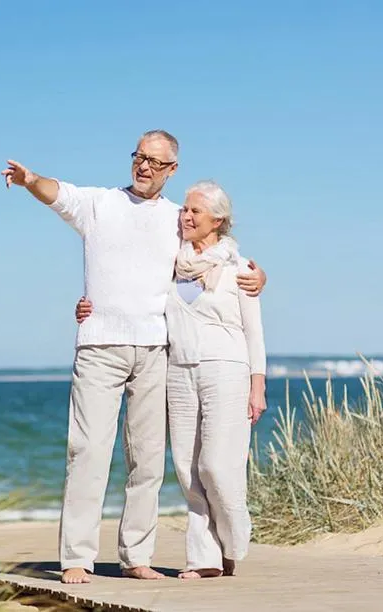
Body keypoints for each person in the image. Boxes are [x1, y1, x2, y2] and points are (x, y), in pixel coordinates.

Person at [1, 130, 266, 584]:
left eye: (155, 162)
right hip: (100, 347)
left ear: (171, 170)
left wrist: (259, 278)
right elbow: (56, 192)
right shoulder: (100, 204)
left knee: (147, 461)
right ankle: (77, 558)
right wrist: (29, 180)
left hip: (157, 349)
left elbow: (216, 259)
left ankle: (136, 557)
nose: (143, 167)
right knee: (87, 452)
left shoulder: (175, 220)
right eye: (139, 157)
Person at [75, 179, 267, 579]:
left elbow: (254, 332)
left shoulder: (240, 269)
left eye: (195, 210)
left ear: (218, 219)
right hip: (177, 371)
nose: (186, 215)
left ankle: (234, 542)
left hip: (226, 371)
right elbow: (130, 291)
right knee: (187, 468)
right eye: (185, 209)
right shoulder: (171, 266)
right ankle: (204, 559)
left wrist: (257, 384)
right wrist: (90, 306)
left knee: (217, 465)